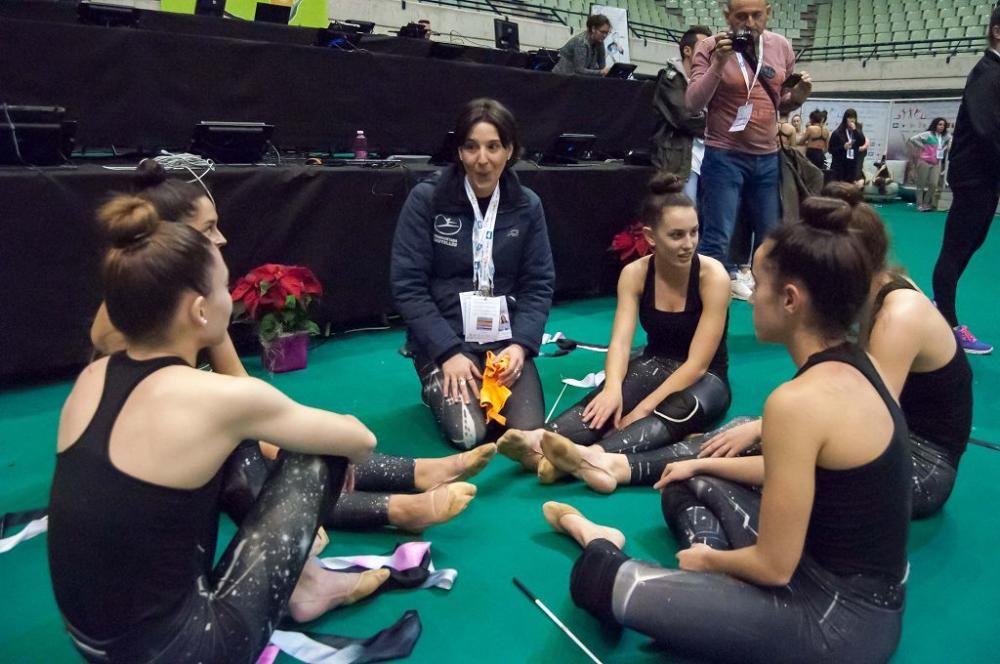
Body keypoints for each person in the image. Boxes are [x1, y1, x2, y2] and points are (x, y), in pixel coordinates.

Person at [545, 196, 911, 663]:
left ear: (791, 300)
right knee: (685, 483)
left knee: (599, 582)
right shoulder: (858, 366)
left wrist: (707, 560)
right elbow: (806, 478)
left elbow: (774, 566)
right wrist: (696, 461)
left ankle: (601, 539)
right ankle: (714, 593)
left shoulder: (797, 403)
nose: (750, 296)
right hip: (841, 576)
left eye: (757, 286)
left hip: (834, 623)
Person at [48, 196, 383, 662]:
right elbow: (362, 441)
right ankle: (308, 590)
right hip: (189, 651)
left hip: (94, 644)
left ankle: (311, 579)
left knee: (235, 448)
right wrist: (344, 441)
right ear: (201, 311)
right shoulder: (219, 400)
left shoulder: (90, 378)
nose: (232, 299)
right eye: (225, 287)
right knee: (318, 454)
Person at [91, 161, 491, 534]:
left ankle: (417, 473)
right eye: (209, 229)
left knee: (294, 442)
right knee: (261, 454)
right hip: (165, 477)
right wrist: (296, 441)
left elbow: (242, 385)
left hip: (206, 441)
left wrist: (293, 438)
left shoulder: (190, 303)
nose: (222, 238)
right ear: (173, 241)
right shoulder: (128, 327)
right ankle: (397, 509)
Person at [496, 173, 732, 492]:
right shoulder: (634, 275)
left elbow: (698, 365)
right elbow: (620, 344)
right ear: (650, 236)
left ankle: (587, 458)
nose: (688, 244)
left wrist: (643, 408)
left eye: (693, 232)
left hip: (705, 379)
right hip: (655, 362)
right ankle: (545, 444)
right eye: (676, 235)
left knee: (662, 416)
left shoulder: (712, 276)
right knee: (600, 409)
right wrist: (612, 390)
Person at [391, 98, 554, 449]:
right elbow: (408, 286)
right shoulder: (427, 199)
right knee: (470, 435)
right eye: (472, 147)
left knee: (526, 436)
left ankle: (488, 377)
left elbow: (538, 284)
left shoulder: (527, 205)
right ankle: (432, 379)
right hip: (445, 341)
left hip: (502, 342)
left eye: (493, 147)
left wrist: (521, 346)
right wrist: (447, 352)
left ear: (509, 150)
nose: (483, 159)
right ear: (459, 152)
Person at [686, 0, 812, 301]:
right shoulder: (710, 47)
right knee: (717, 239)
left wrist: (798, 98)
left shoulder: (782, 47)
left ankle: (769, 311)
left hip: (767, 158)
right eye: (741, 16)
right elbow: (692, 103)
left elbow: (779, 102)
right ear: (727, 16)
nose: (750, 22)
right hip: (723, 155)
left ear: (768, 12)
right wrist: (718, 65)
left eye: (757, 15)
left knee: (771, 241)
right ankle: (705, 314)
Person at [931, 7, 1000, 355]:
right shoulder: (988, 73)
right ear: (997, 32)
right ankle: (946, 321)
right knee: (956, 249)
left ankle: (939, 306)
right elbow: (988, 132)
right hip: (975, 176)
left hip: (985, 177)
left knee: (968, 246)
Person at [651, 25, 712, 200]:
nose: (709, 54)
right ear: (687, 50)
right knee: (687, 215)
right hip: (680, 161)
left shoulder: (709, 81)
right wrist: (716, 123)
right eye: (704, 48)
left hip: (708, 161)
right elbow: (685, 118)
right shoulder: (669, 79)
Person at [908, 118, 951, 212]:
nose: (941, 127)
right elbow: (912, 139)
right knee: (921, 184)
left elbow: (951, 140)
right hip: (924, 161)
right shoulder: (928, 134)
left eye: (943, 125)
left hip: (936, 162)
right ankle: (919, 205)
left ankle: (926, 203)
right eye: (939, 124)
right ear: (935, 124)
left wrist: (947, 146)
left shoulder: (945, 136)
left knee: (933, 184)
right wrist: (923, 146)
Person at [828, 108, 866, 185]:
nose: (852, 120)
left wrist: (855, 130)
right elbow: (831, 150)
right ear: (845, 119)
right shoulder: (838, 133)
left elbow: (862, 142)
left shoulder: (857, 130)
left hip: (852, 165)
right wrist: (843, 147)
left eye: (854, 118)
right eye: (849, 118)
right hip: (839, 166)